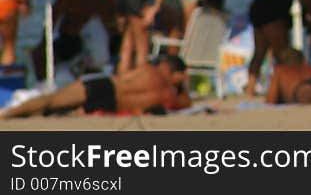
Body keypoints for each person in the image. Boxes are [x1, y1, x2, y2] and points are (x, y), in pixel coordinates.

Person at [2, 54, 190, 119]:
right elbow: (186, 104)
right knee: (51, 107)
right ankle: (10, 115)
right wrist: (182, 85)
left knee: (51, 102)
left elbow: (121, 72)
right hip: (109, 104)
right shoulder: (169, 97)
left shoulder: (149, 70)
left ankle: (7, 115)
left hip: (105, 86)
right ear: (179, 75)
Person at [31, 0, 120, 81]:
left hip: (76, 43)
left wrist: (42, 45)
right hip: (109, 43)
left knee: (38, 54)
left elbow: (52, 19)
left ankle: (43, 88)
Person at [245, 0, 311, 96]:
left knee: (259, 52)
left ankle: (250, 89)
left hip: (258, 7)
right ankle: (281, 88)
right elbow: (310, 8)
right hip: (272, 12)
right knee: (283, 55)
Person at [108, 0, 183, 73]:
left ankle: (122, 80)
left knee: (127, 42)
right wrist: (153, 11)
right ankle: (141, 78)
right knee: (142, 44)